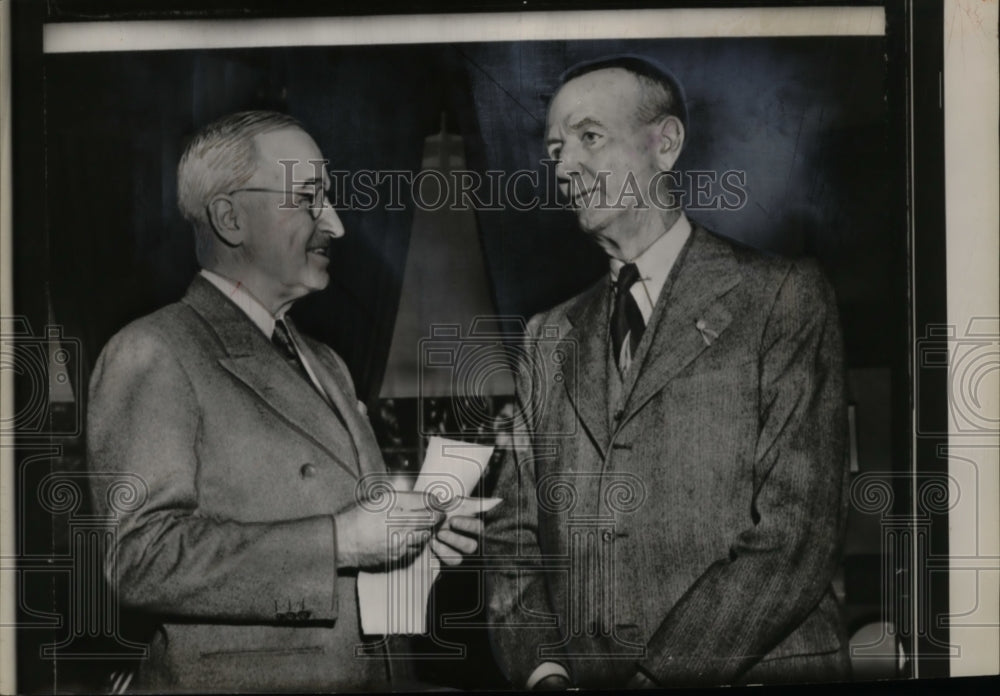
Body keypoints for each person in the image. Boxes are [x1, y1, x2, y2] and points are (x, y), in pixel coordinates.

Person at [486, 56, 851, 689]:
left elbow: (797, 531)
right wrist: (543, 672)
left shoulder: (783, 297)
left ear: (666, 143)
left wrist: (662, 677)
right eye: (554, 149)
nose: (565, 167)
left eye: (588, 137)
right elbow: (515, 539)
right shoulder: (547, 336)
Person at [87, 110, 481, 692]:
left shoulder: (327, 363)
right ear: (229, 217)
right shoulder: (152, 350)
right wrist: (340, 541)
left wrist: (413, 541)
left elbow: (352, 530)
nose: (337, 224)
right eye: (308, 198)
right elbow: (141, 559)